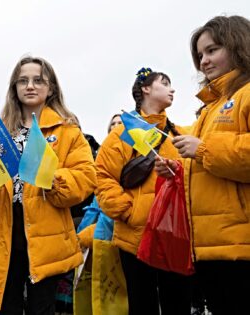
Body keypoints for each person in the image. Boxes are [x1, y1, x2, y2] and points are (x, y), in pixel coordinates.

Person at [0, 56, 97, 314]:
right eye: (23, 81)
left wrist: (52, 179)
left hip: (46, 238)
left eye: (37, 80)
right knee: (6, 306)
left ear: (50, 88)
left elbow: (87, 176)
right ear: (15, 88)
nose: (30, 86)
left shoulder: (67, 131)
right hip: (3, 234)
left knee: (41, 309)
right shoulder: (1, 133)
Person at [155, 15, 250, 315]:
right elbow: (208, 167)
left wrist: (204, 150)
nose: (203, 61)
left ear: (238, 45)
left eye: (213, 50)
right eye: (200, 55)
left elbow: (214, 155)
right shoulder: (209, 108)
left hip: (240, 246)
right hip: (209, 245)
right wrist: (177, 169)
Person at [95, 68, 191, 315]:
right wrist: (127, 210)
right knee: (141, 305)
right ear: (145, 89)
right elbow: (102, 177)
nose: (172, 89)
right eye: (165, 83)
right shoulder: (120, 135)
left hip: (174, 236)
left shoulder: (180, 135)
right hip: (134, 237)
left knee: (177, 303)